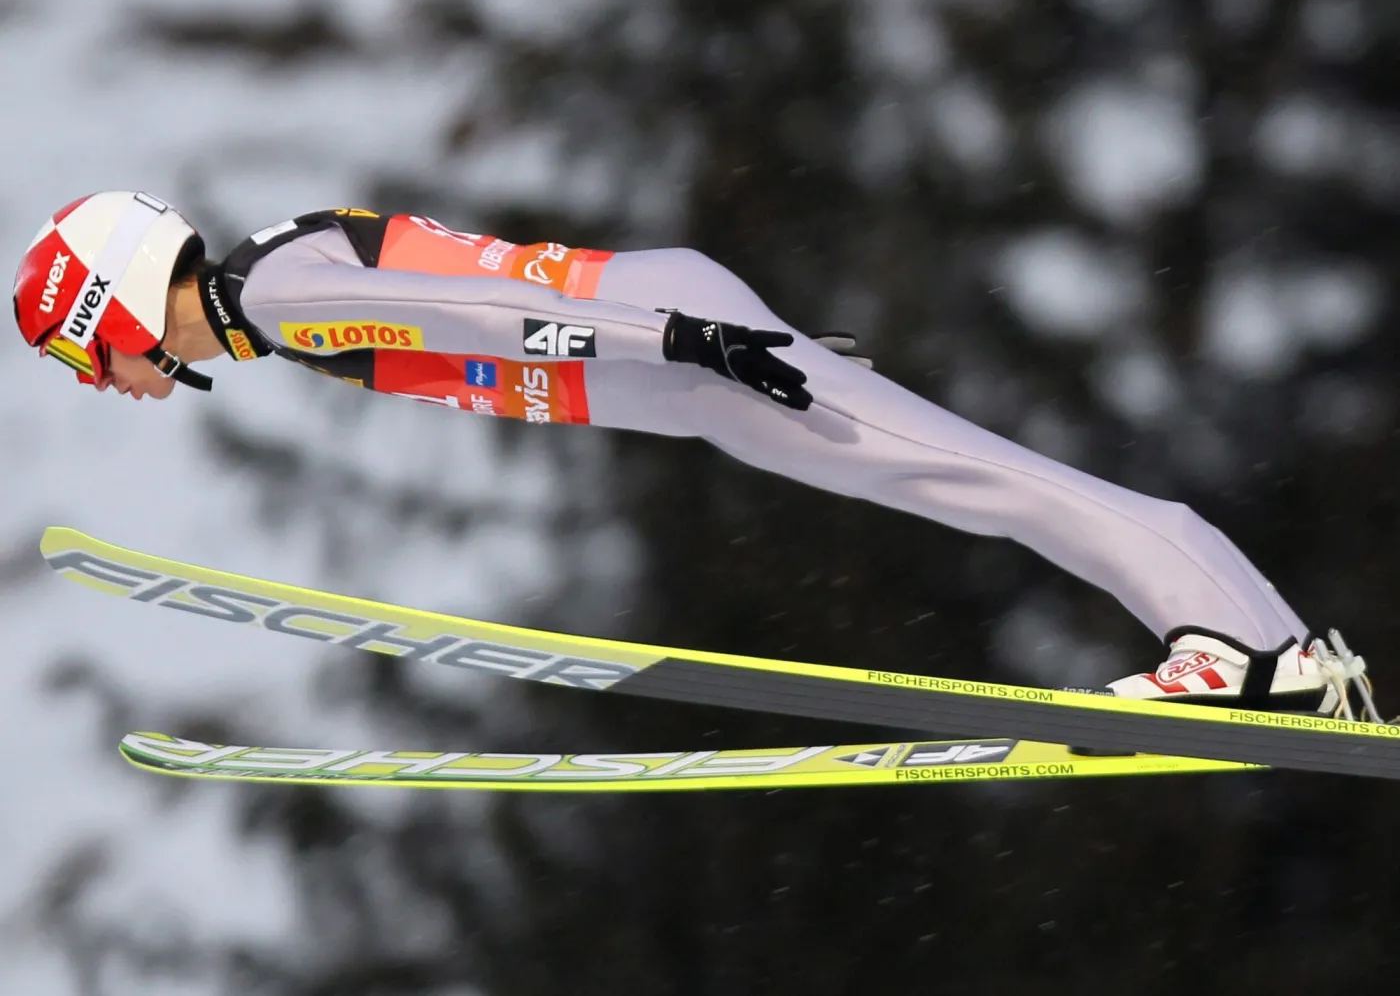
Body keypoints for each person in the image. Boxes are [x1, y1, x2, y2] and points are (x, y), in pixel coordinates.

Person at [9, 190, 1380, 719]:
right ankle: (1272, 658)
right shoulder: (273, 298)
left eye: (89, 354)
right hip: (666, 370)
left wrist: (686, 335)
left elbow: (488, 308)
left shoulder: (283, 291)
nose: (112, 384)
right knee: (958, 481)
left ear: (112, 303)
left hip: (666, 346)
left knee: (977, 476)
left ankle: (1243, 646)